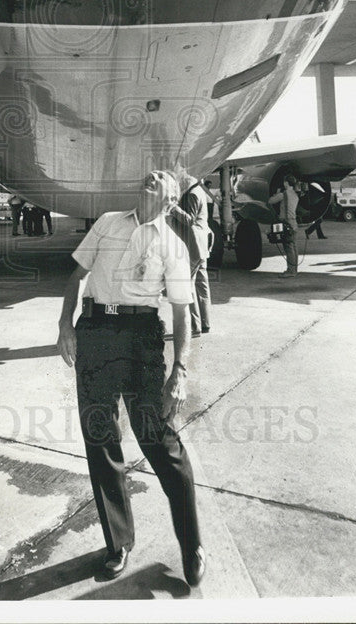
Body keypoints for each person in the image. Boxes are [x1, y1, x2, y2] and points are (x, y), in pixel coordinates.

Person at [56, 171, 205, 588]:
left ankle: (191, 543)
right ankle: (118, 542)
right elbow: (77, 277)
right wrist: (65, 325)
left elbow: (181, 314)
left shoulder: (173, 246)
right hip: (96, 332)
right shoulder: (106, 222)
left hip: (142, 339)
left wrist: (180, 370)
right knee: (101, 438)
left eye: (163, 179)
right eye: (150, 174)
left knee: (158, 438)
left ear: (172, 199)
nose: (153, 175)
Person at [167, 169, 212, 335]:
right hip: (202, 246)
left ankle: (195, 326)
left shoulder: (191, 194)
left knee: (189, 285)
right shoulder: (199, 191)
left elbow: (189, 220)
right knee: (202, 286)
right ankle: (206, 323)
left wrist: (173, 209)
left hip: (193, 246)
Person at [268, 174, 299, 277]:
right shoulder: (295, 195)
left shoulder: (283, 194)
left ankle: (290, 271)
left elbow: (270, 201)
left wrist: (276, 193)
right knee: (293, 247)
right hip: (294, 222)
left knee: (288, 247)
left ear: (286, 183)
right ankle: (294, 270)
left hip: (286, 222)